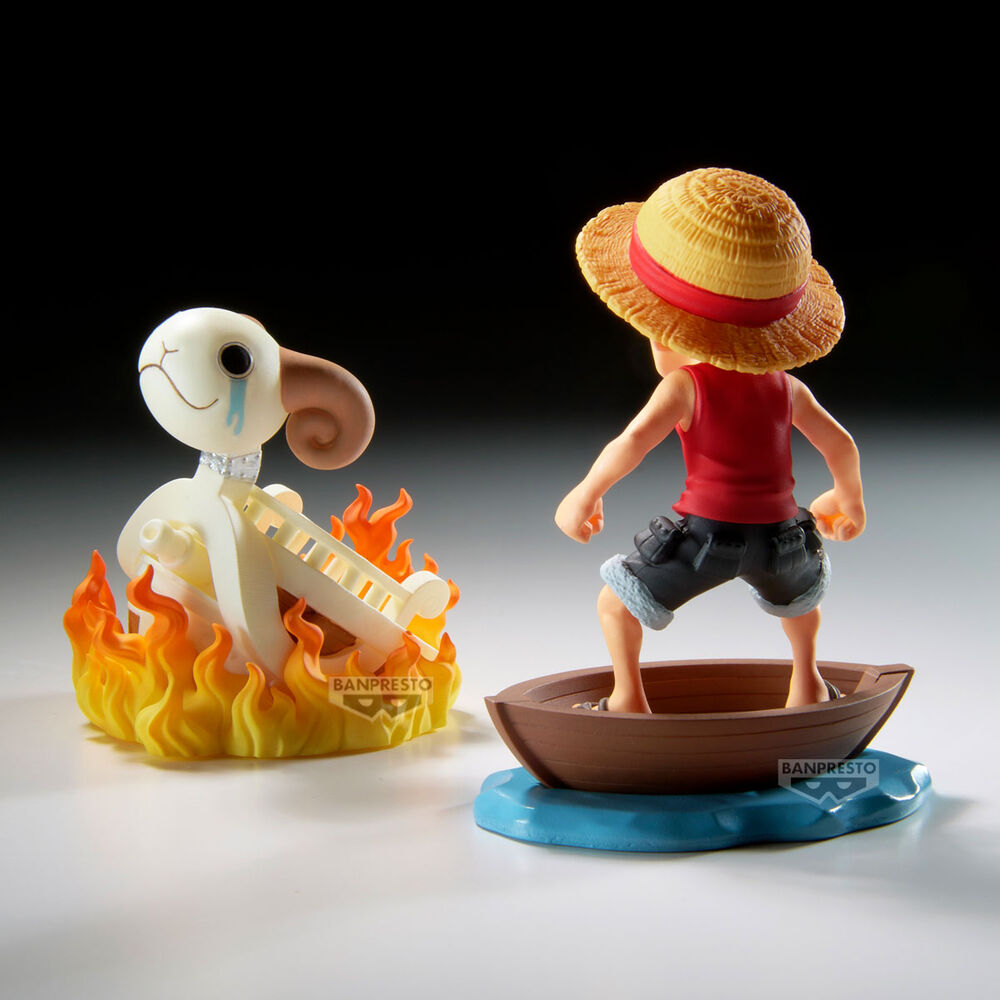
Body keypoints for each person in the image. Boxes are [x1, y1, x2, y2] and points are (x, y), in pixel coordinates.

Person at [555, 168, 865, 712]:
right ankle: (808, 685)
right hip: (783, 538)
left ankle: (627, 701)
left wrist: (585, 493)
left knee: (615, 603)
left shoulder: (685, 386)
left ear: (666, 332)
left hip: (707, 538)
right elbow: (840, 444)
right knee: (801, 605)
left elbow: (632, 443)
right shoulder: (787, 387)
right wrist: (848, 499)